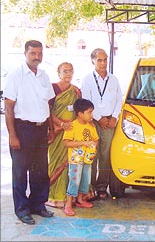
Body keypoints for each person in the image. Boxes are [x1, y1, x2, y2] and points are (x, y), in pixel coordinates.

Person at [3, 40, 55, 225]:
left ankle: (38, 205)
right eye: (33, 53)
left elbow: (48, 103)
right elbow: (9, 107)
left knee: (40, 170)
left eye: (40, 53)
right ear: (25, 53)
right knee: (20, 172)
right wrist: (12, 135)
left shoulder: (43, 75)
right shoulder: (15, 75)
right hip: (22, 129)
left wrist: (51, 128)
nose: (37, 57)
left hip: (41, 129)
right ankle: (22, 209)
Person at [81, 48, 122, 200]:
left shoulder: (114, 79)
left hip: (110, 122)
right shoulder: (87, 79)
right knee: (92, 155)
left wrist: (114, 118)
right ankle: (89, 188)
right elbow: (86, 101)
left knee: (106, 156)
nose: (103, 63)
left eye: (105, 59)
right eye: (99, 60)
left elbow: (119, 99)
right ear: (93, 61)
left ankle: (102, 187)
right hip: (93, 122)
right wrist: (99, 118)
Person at [46, 62, 82, 208]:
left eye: (70, 71)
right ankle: (54, 195)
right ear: (58, 72)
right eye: (65, 71)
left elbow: (79, 110)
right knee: (56, 161)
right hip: (56, 131)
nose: (68, 74)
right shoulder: (52, 89)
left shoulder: (76, 91)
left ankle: (70, 197)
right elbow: (47, 110)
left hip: (71, 132)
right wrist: (61, 124)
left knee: (71, 163)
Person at [63, 98, 99, 216]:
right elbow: (67, 143)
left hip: (87, 159)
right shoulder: (72, 126)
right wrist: (84, 143)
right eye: (89, 112)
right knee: (74, 180)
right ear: (80, 114)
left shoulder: (91, 126)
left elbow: (96, 139)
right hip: (75, 160)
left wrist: (93, 148)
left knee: (85, 179)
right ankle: (68, 204)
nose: (91, 115)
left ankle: (80, 200)